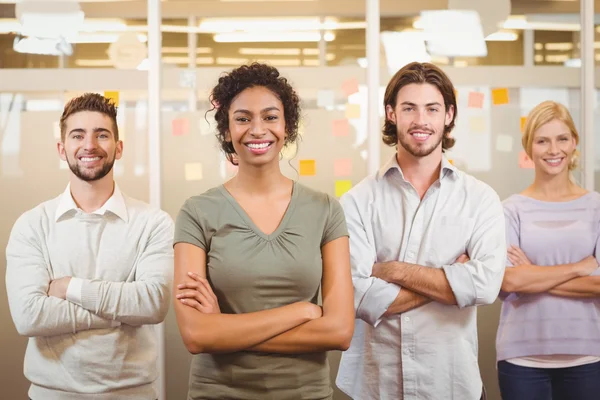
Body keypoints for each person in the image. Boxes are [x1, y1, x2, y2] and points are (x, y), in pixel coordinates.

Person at [173, 62, 355, 400]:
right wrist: (301, 312)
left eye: (270, 117)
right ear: (226, 131)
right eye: (243, 118)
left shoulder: (325, 210)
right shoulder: (196, 212)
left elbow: (340, 330)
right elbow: (197, 335)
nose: (258, 129)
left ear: (287, 127)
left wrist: (225, 329)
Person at [335, 62, 506, 400]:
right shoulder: (357, 200)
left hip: (452, 384)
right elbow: (357, 295)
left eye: (432, 108)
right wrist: (453, 280)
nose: (421, 121)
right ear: (391, 113)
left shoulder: (480, 199)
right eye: (409, 108)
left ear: (449, 114)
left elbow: (485, 286)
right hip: (379, 386)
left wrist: (393, 271)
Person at [5, 93, 174, 400]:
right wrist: (122, 310)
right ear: (62, 148)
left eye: (102, 135)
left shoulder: (153, 223)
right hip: (51, 395)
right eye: (78, 135)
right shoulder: (32, 225)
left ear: (119, 148)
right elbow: (30, 316)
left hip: (134, 395)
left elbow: (153, 303)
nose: (89, 145)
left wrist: (69, 287)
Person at [496, 100, 600, 400]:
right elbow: (509, 281)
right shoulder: (511, 209)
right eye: (542, 141)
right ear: (529, 148)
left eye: (562, 139)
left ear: (574, 142)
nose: (554, 150)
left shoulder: (595, 207)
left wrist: (534, 275)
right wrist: (578, 268)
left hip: (588, 355)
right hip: (521, 358)